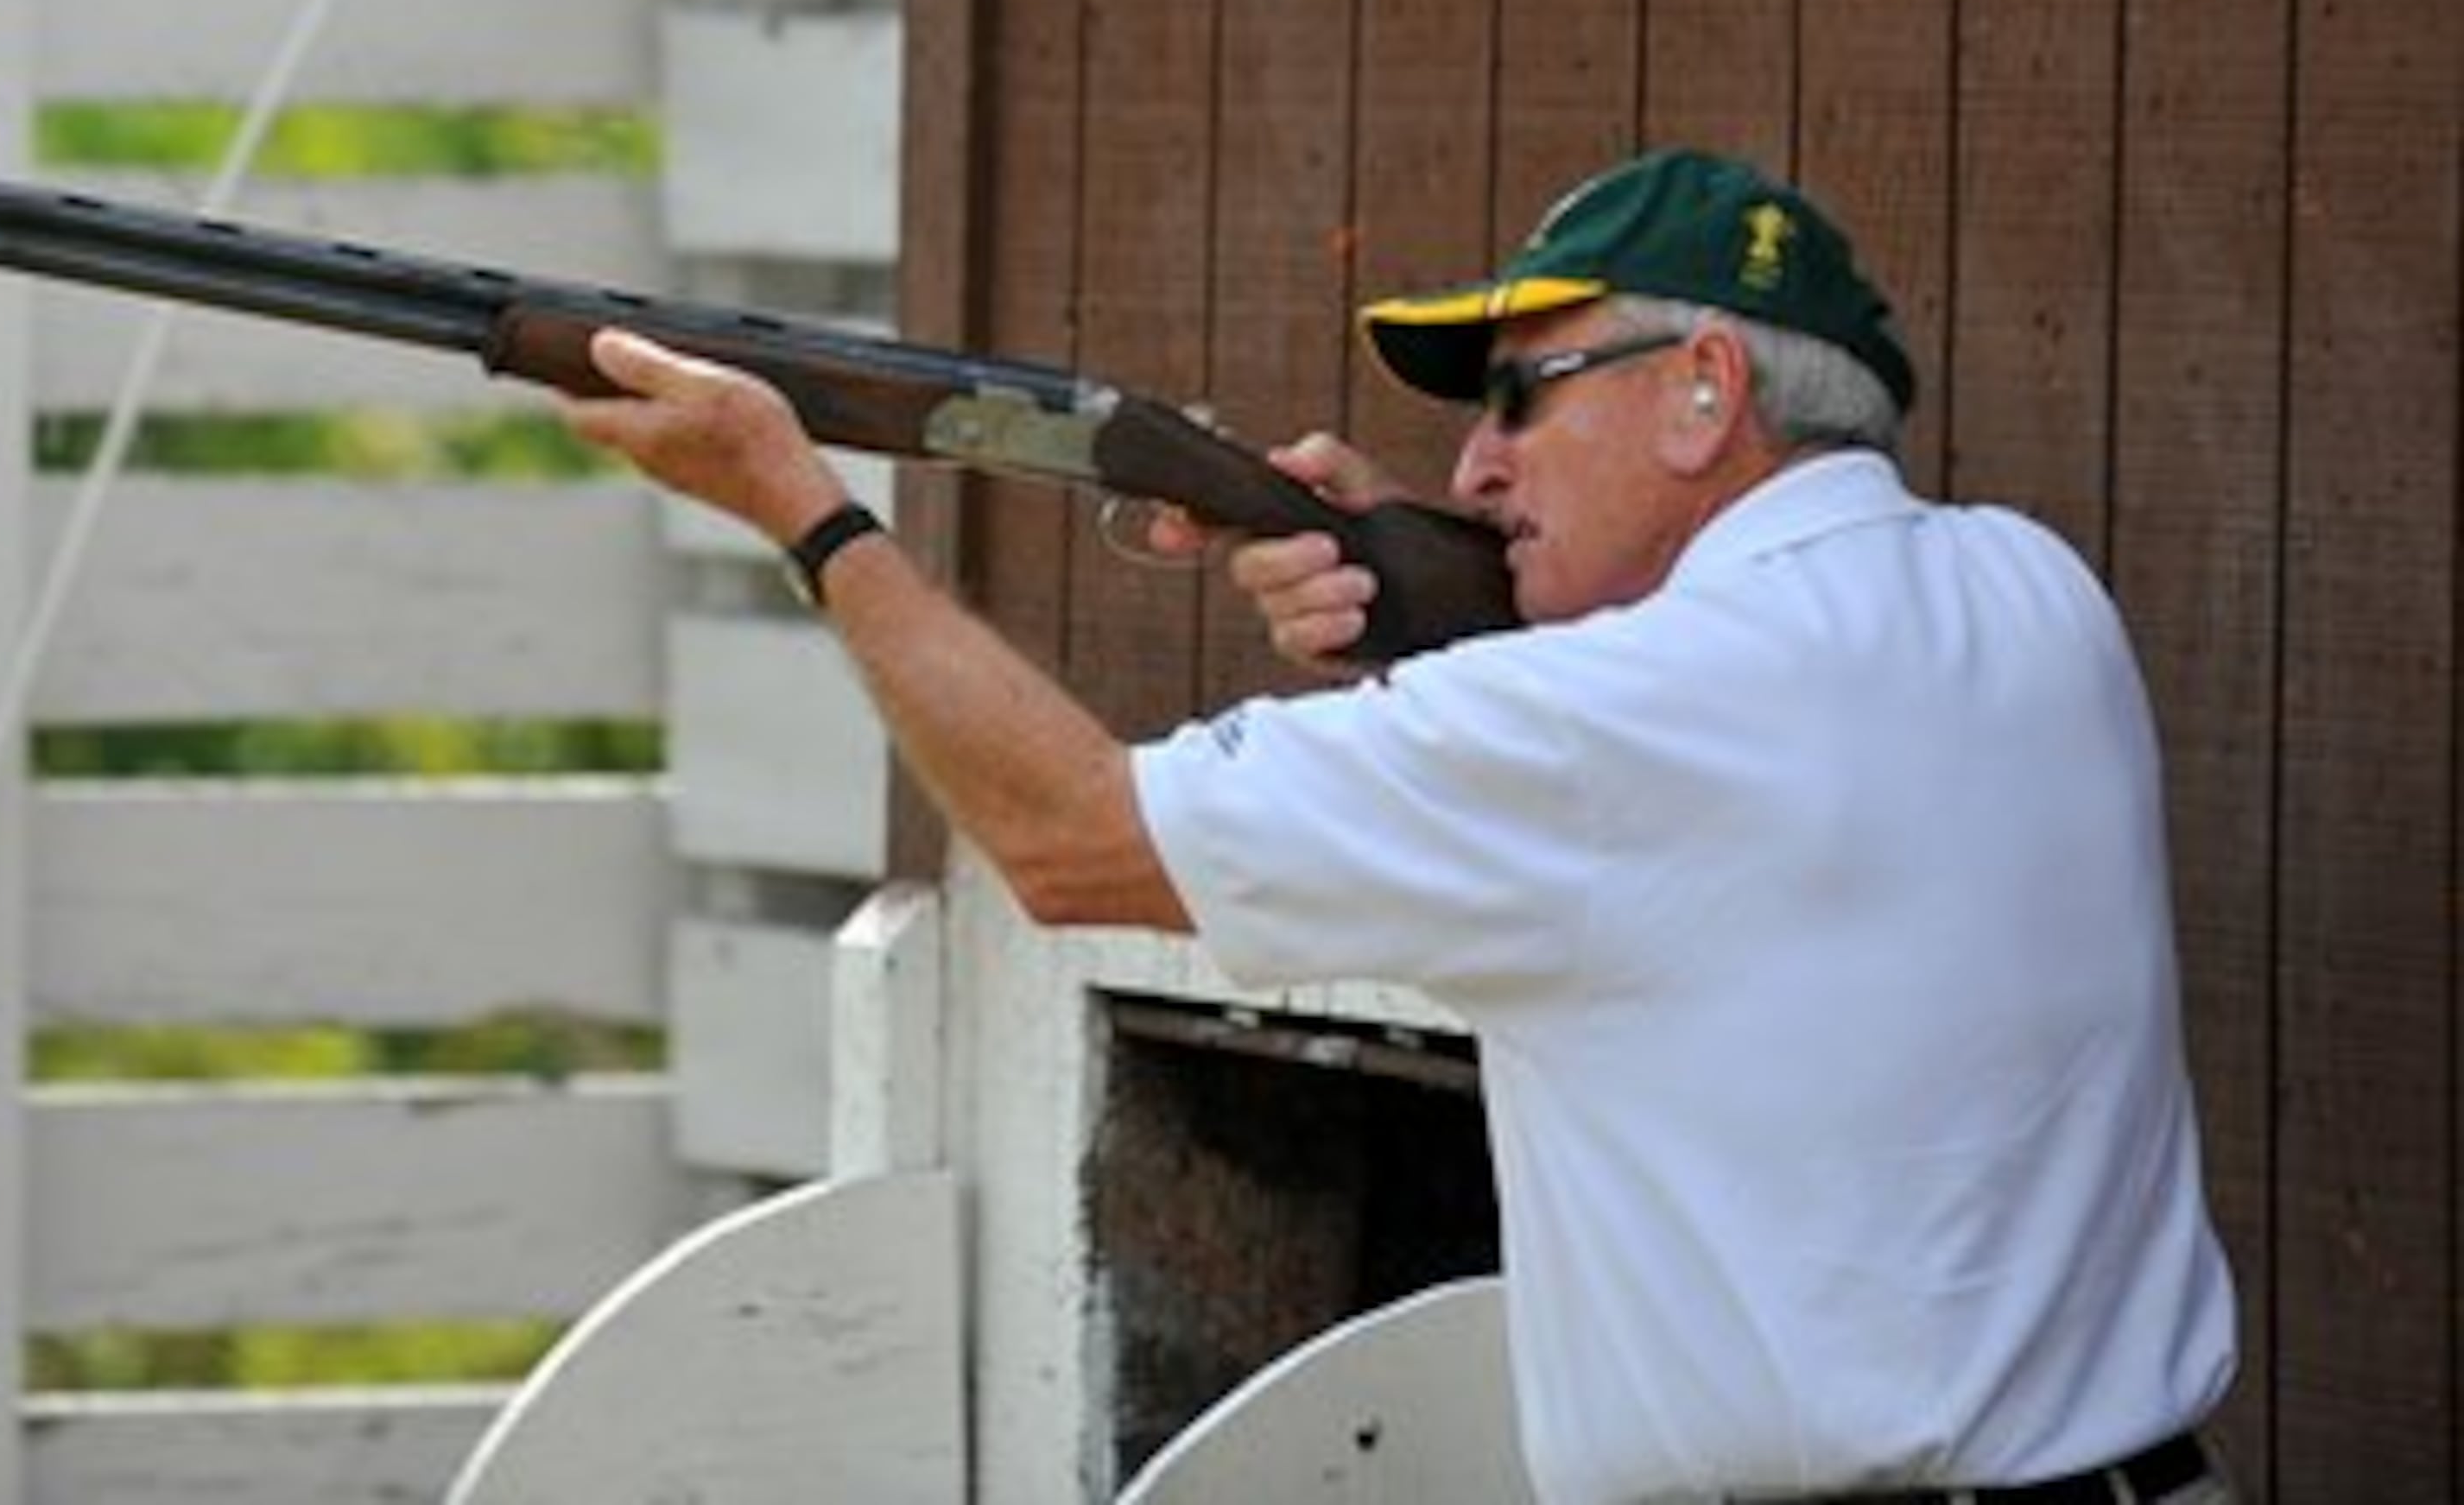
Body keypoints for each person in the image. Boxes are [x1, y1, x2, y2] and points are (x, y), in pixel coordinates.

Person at [561, 148, 2238, 1505]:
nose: (1476, 463)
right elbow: (1737, 761)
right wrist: (1425, 619)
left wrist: (805, 508)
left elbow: (1070, 844)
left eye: (1522, 395)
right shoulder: (2027, 590)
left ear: (1704, 389)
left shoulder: (1615, 721)